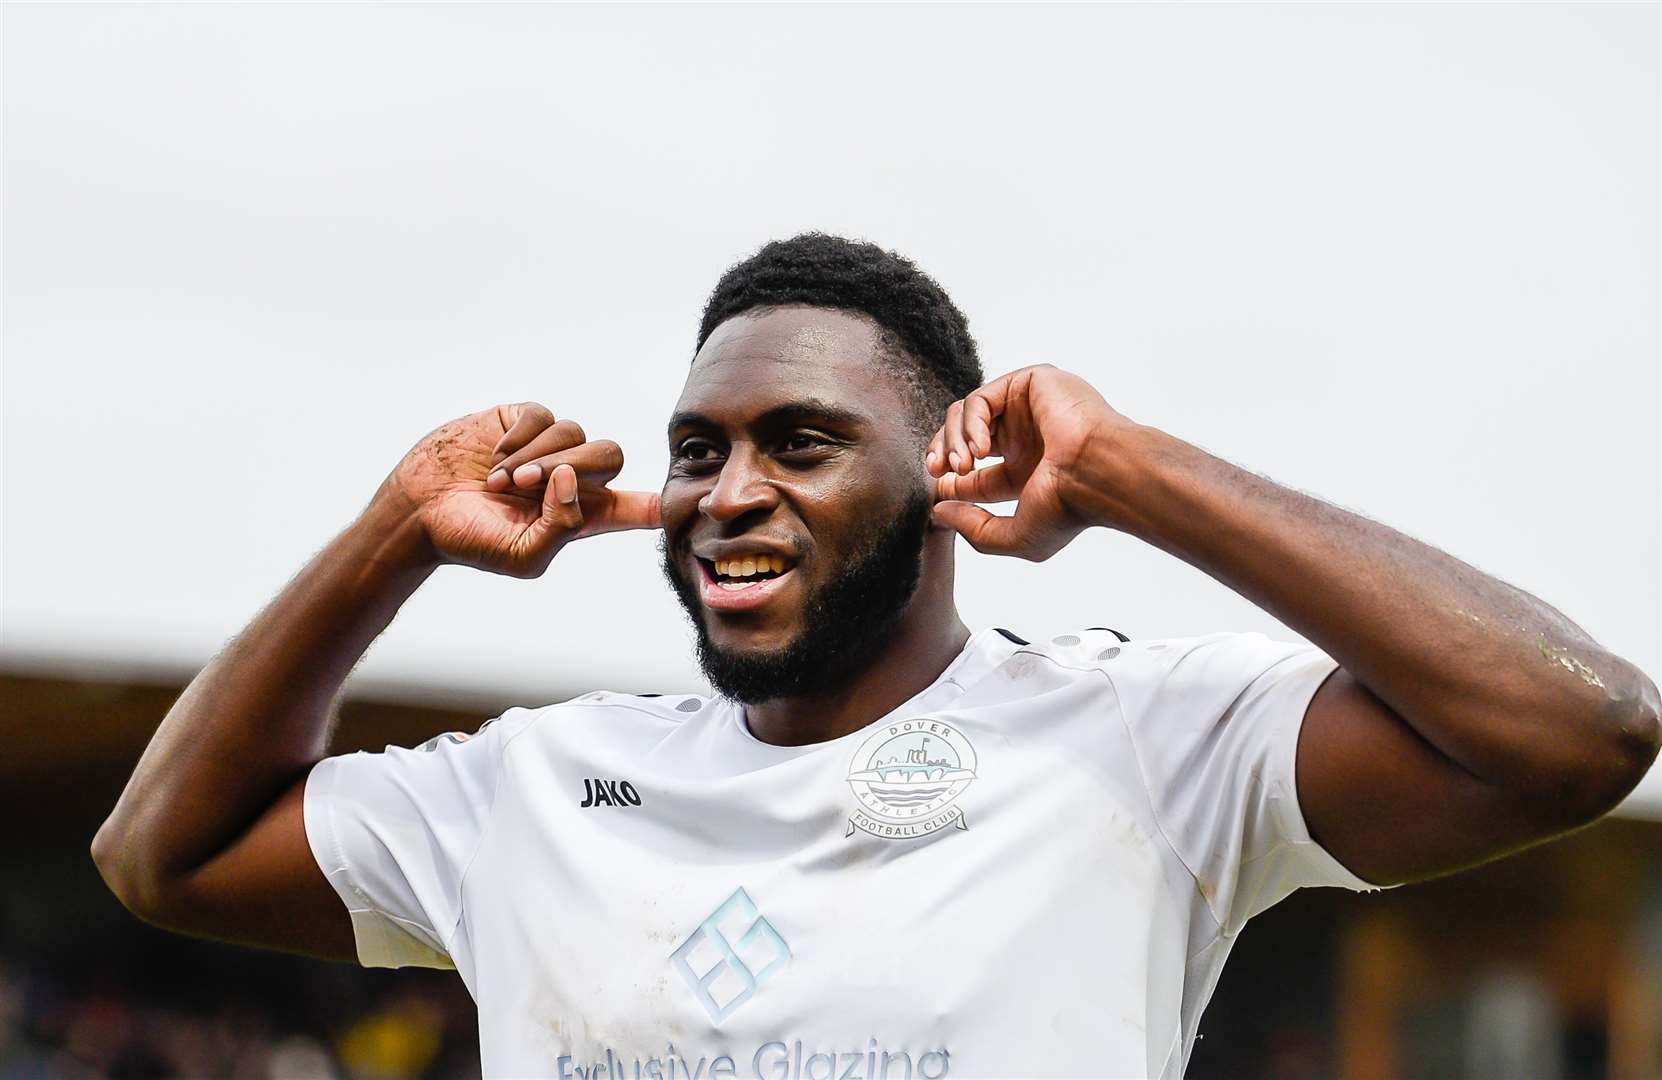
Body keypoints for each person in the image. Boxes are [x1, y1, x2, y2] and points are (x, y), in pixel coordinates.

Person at [92, 233, 1659, 1079]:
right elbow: (163, 856)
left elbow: (1575, 732)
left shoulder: (1140, 735)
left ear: (943, 485)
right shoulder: (541, 787)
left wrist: (1136, 475)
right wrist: (392, 537)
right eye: (698, 449)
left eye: (803, 442)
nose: (728, 491)